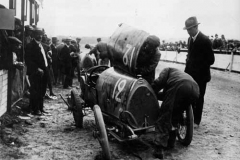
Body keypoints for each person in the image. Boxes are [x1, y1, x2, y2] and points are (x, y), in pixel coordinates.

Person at [151, 67, 199, 159]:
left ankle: (158, 148)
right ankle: (171, 142)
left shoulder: (166, 70)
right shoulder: (176, 75)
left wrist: (149, 91)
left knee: (164, 116)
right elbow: (166, 95)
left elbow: (158, 84)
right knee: (175, 115)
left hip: (180, 86)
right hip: (195, 89)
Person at [183, 16, 215, 126]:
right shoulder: (190, 39)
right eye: (187, 30)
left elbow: (211, 60)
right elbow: (190, 56)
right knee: (190, 95)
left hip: (201, 76)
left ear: (196, 27)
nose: (188, 32)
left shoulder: (205, 40)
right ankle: (190, 118)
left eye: (189, 29)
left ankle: (196, 121)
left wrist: (197, 64)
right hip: (190, 75)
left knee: (199, 97)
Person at [25, 26, 49, 115]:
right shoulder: (30, 46)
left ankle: (41, 107)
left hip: (45, 70)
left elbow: (43, 58)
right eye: (38, 35)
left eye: (41, 35)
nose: (40, 36)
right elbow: (28, 60)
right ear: (34, 35)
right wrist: (36, 68)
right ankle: (35, 109)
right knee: (35, 90)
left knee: (42, 90)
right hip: (35, 72)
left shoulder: (42, 45)